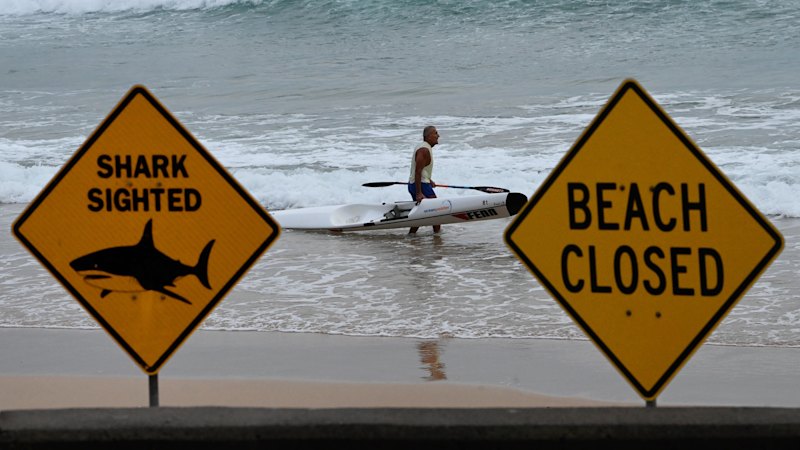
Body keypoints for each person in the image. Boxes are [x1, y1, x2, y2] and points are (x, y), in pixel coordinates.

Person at [408, 126, 440, 234]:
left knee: (420, 213)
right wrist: (419, 192)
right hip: (420, 186)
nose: (438, 136)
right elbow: (417, 171)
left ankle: (411, 236)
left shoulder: (424, 147)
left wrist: (429, 179)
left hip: (418, 184)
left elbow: (421, 170)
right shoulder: (424, 150)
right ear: (428, 136)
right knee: (437, 211)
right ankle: (437, 237)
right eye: (435, 133)